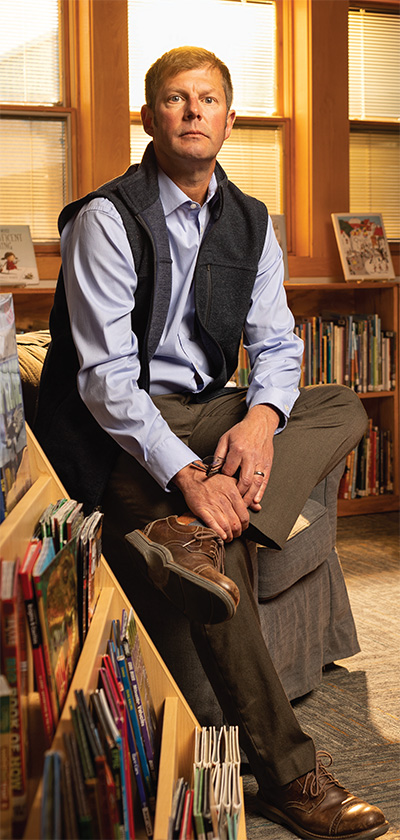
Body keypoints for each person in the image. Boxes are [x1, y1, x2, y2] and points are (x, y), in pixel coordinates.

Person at [34, 46, 389, 839]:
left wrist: (261, 425)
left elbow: (279, 345)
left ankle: (205, 529)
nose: (192, 111)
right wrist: (192, 477)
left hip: (209, 408)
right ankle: (291, 777)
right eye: (174, 98)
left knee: (338, 405)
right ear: (150, 118)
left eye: (206, 99)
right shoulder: (106, 218)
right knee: (215, 568)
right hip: (111, 430)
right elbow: (104, 383)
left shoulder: (253, 219)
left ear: (230, 119)